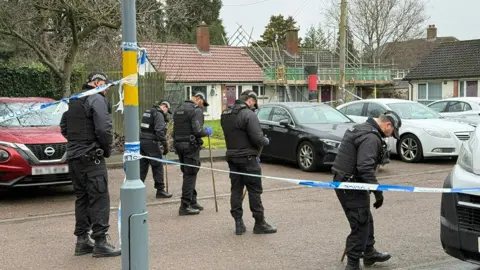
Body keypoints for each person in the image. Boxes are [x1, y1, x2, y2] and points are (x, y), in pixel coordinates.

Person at [60, 72, 121, 258]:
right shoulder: (96, 99)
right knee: (99, 198)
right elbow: (104, 128)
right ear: (96, 83)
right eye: (106, 85)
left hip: (74, 158)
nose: (107, 89)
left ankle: (82, 241)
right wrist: (106, 150)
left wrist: (76, 144)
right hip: (91, 158)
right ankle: (101, 242)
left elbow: (63, 126)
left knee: (82, 199)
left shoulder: (74, 100)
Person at [332, 111, 402, 270]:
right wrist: (378, 191)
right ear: (387, 125)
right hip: (351, 185)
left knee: (365, 218)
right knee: (360, 223)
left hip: (348, 181)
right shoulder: (371, 137)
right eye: (392, 132)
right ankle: (353, 264)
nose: (391, 136)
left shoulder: (361, 128)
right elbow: (364, 167)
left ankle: (369, 253)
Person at [220, 89, 277, 235]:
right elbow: (257, 138)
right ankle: (259, 223)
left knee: (236, 190)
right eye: (254, 103)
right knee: (254, 191)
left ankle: (238, 224)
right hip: (248, 158)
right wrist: (265, 140)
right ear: (250, 100)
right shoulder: (248, 114)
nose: (254, 106)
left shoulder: (225, 114)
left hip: (232, 157)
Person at [173, 92, 212, 216]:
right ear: (198, 99)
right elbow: (198, 131)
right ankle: (184, 206)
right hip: (190, 146)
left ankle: (192, 201)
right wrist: (207, 131)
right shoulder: (196, 111)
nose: (202, 106)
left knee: (188, 172)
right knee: (190, 174)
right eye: (202, 103)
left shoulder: (179, 109)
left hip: (179, 145)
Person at [139, 100, 173, 199]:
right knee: (157, 165)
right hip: (151, 142)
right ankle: (160, 190)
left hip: (142, 141)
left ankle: (137, 189)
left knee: (142, 166)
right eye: (167, 110)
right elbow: (159, 130)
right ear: (164, 106)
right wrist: (165, 145)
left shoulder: (148, 111)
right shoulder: (158, 114)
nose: (166, 112)